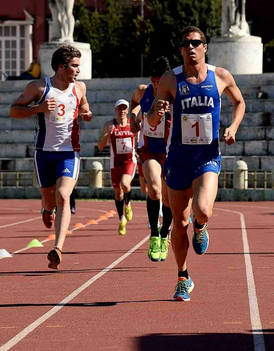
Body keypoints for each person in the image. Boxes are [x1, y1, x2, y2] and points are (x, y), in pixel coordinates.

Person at [149, 27, 246, 301]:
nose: (191, 47)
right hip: (177, 160)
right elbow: (153, 121)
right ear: (180, 49)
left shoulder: (221, 76)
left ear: (205, 47)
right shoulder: (171, 79)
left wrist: (233, 127)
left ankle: (201, 227)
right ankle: (183, 277)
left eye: (196, 43)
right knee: (178, 223)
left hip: (207, 158)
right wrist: (156, 112)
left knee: (202, 210)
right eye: (185, 44)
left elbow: (239, 103)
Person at [9, 45, 93, 270]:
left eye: (78, 65)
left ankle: (57, 248)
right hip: (44, 153)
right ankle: (47, 210)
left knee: (63, 195)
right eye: (74, 66)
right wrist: (39, 108)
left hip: (69, 152)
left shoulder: (80, 88)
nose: (78, 70)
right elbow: (14, 110)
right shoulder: (38, 87)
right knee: (49, 199)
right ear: (61, 66)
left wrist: (86, 114)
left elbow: (84, 107)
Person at [131, 56, 174, 262]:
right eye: (154, 80)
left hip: (170, 150)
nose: (157, 84)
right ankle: (154, 234)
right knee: (154, 188)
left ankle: (165, 233)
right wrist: (133, 114)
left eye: (161, 81)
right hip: (149, 149)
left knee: (168, 198)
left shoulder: (175, 93)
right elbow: (134, 103)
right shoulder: (143, 90)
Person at [97, 100, 138, 236]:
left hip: (129, 161)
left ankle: (128, 205)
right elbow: (100, 146)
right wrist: (107, 135)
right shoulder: (110, 125)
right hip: (115, 163)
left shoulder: (132, 123)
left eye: (124, 108)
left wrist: (138, 150)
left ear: (127, 110)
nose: (122, 111)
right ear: (115, 110)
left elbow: (138, 138)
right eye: (119, 108)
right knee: (117, 193)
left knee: (125, 184)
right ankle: (121, 219)